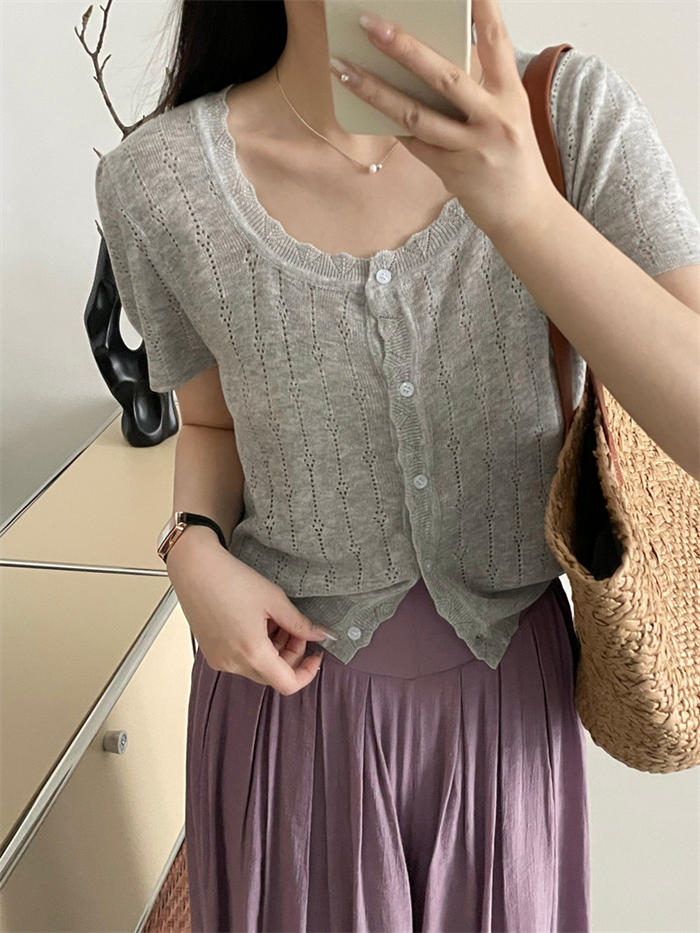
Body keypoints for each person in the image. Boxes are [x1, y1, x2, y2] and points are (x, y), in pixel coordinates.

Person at [94, 0, 700, 929]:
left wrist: (524, 207)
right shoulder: (159, 181)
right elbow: (209, 424)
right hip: (286, 721)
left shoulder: (567, 115)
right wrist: (191, 548)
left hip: (505, 719)